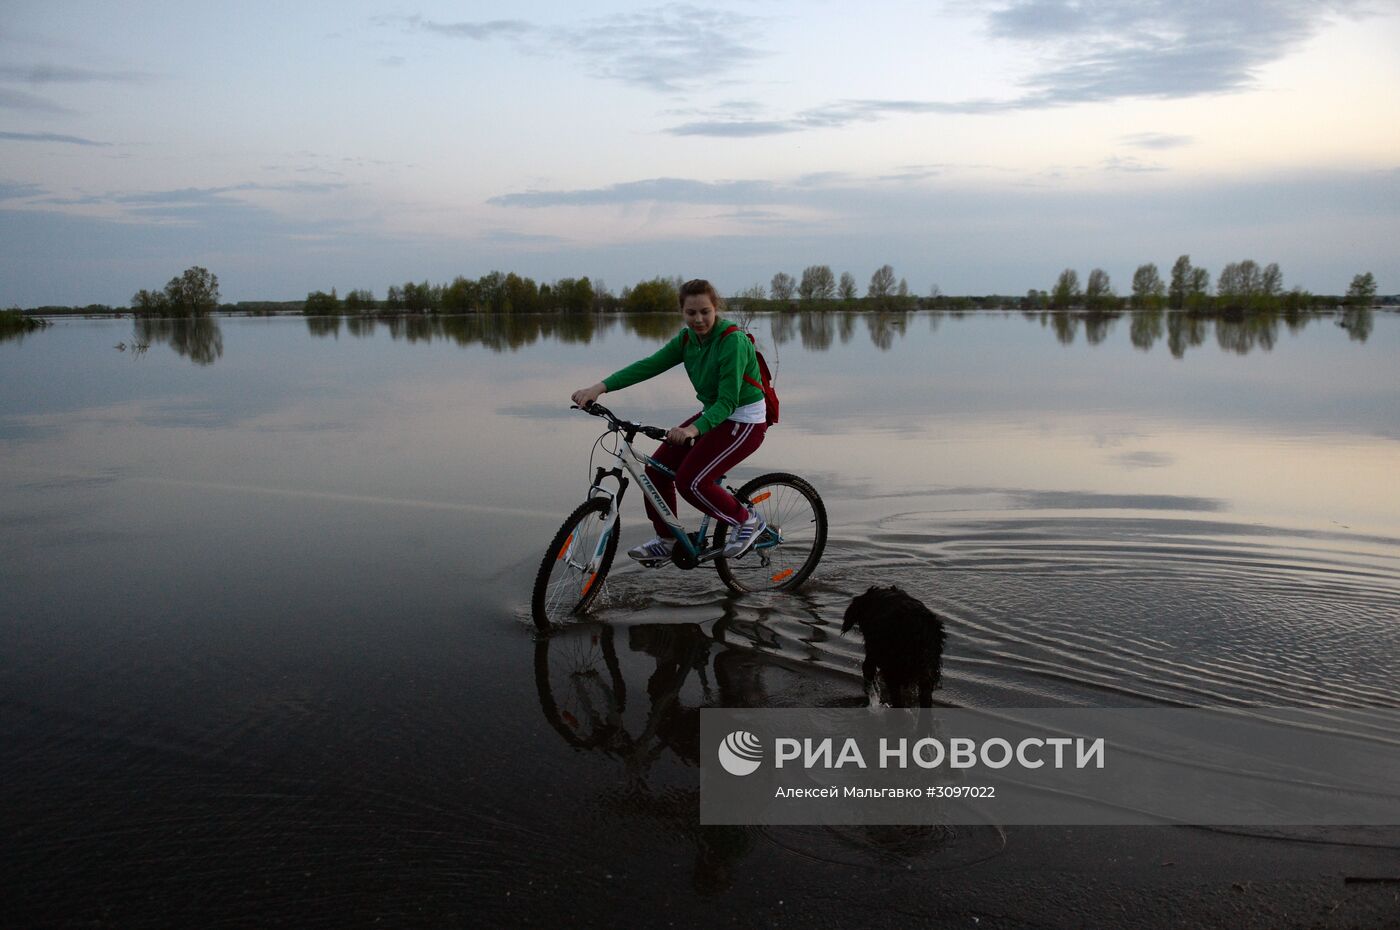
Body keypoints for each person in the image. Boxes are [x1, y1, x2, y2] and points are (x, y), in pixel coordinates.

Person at [571, 279, 768, 563]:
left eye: (705, 312)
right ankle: (667, 539)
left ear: (716, 310)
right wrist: (599, 388)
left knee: (692, 482)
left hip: (744, 420)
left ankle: (747, 520)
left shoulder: (732, 342)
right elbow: (648, 366)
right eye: (691, 313)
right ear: (682, 312)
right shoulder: (688, 340)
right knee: (656, 472)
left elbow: (728, 402)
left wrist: (692, 429)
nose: (698, 319)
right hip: (714, 414)